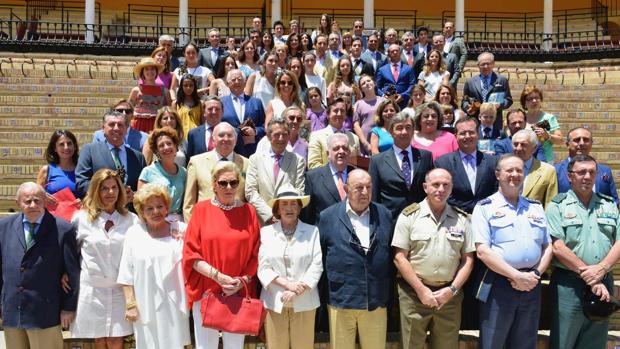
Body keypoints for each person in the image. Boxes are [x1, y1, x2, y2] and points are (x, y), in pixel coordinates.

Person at [471, 154, 553, 349]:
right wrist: (516, 276)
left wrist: (535, 274)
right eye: (510, 170)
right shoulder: (484, 208)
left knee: (525, 342)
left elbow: (548, 246)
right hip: (499, 284)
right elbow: (482, 251)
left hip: (532, 284)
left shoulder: (535, 207)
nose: (515, 174)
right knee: (493, 343)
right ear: (498, 174)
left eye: (519, 170)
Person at [392, 168, 475, 349]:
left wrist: (452, 290)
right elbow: (399, 258)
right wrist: (421, 290)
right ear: (425, 187)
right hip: (414, 295)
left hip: (449, 297)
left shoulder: (462, 219)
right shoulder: (409, 216)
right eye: (435, 184)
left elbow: (468, 259)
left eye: (446, 185)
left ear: (451, 189)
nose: (440, 189)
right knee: (411, 345)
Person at [183, 161, 261, 349]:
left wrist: (240, 281)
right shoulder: (201, 210)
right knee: (205, 346)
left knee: (234, 346)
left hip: (237, 290)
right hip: (207, 288)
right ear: (214, 184)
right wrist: (218, 277)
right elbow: (191, 253)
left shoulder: (248, 211)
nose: (228, 187)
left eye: (233, 183)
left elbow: (256, 253)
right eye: (223, 183)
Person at [546, 154, 620, 349]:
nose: (587, 176)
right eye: (581, 172)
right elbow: (557, 247)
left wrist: (601, 270)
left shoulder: (609, 204)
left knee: (594, 342)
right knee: (564, 342)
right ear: (570, 176)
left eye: (591, 172)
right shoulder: (557, 206)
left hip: (604, 282)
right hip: (569, 285)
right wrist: (592, 277)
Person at [318, 169, 393, 349]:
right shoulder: (327, 217)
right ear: (346, 188)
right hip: (341, 300)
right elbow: (320, 256)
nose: (365, 192)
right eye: (359, 188)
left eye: (368, 187)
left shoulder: (384, 215)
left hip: (375, 300)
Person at [0, 182, 79, 349]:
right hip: (13, 311)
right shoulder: (4, 227)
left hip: (45, 313)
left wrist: (68, 307)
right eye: (27, 201)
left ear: (45, 201)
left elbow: (72, 272)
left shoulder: (63, 229)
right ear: (17, 203)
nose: (33, 205)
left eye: (37, 200)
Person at [70, 169, 139, 348]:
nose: (110, 193)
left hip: (120, 291)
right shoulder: (81, 219)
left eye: (114, 188)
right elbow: (71, 253)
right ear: (95, 191)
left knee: (117, 338)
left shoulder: (131, 220)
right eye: (104, 188)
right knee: (99, 338)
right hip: (93, 290)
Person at [118, 184, 190, 349]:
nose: (156, 212)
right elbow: (126, 274)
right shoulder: (134, 234)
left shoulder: (181, 230)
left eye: (160, 206)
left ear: (167, 208)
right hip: (146, 306)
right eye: (149, 208)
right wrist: (131, 305)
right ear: (141, 212)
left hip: (175, 306)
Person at [258, 186, 322, 349]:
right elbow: (263, 268)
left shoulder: (312, 231)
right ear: (277, 209)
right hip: (275, 302)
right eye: (284, 204)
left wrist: (297, 290)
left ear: (300, 208)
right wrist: (287, 285)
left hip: (305, 301)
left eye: (294, 204)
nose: (289, 208)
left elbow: (317, 265)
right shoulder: (266, 232)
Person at [369, 111, 434, 219]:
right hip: (390, 220)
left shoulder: (425, 157)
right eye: (399, 128)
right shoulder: (377, 161)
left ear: (413, 130)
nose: (404, 132)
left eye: (408, 127)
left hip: (421, 219)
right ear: (391, 132)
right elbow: (374, 196)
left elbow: (431, 188)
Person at [245, 117, 306, 225]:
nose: (281, 139)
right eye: (277, 135)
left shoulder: (297, 160)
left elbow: (299, 191)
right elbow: (251, 191)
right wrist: (269, 214)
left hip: (288, 221)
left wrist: (283, 213)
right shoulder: (255, 159)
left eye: (285, 134)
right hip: (263, 221)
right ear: (268, 136)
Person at [184, 122, 249, 221]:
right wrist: (193, 229)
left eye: (230, 136)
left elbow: (249, 199)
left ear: (235, 141)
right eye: (221, 135)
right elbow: (189, 204)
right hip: (206, 223)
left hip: (237, 224)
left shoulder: (247, 164)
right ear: (213, 140)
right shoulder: (196, 162)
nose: (226, 139)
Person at [76, 111, 147, 200]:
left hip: (129, 211)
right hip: (100, 210)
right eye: (112, 124)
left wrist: (134, 195)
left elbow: (145, 188)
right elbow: (82, 182)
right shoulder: (90, 150)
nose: (116, 128)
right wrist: (108, 193)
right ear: (103, 128)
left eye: (120, 125)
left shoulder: (138, 157)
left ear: (126, 129)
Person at [434, 117, 499, 214]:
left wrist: (482, 210)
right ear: (455, 136)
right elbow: (444, 193)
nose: (467, 136)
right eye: (462, 133)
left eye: (471, 132)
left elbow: (496, 191)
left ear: (478, 134)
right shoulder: (443, 163)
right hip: (455, 217)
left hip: (487, 215)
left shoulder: (492, 162)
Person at [555, 127, 618, 203]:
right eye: (577, 140)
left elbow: (614, 201)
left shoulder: (605, 171)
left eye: (586, 140)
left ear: (591, 144)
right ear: (567, 144)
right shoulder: (555, 171)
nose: (582, 143)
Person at [138, 127, 187, 220]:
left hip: (180, 221)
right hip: (156, 220)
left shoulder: (184, 172)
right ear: (156, 151)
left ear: (176, 147)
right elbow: (141, 202)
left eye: (169, 143)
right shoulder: (147, 172)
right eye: (161, 145)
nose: (166, 147)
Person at [461, 52, 513, 130]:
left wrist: (500, 104)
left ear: (493, 64)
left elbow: (508, 100)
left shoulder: (502, 80)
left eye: (488, 64)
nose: (486, 66)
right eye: (482, 64)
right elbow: (464, 101)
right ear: (478, 66)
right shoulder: (470, 82)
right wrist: (467, 107)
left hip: (495, 121)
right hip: (475, 122)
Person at [221, 69, 266, 157]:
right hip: (229, 151)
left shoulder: (256, 102)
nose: (237, 82)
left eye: (240, 79)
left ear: (245, 82)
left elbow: (264, 126)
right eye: (233, 80)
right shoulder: (221, 103)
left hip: (252, 151)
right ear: (228, 83)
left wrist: (255, 131)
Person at [307, 98, 360, 170]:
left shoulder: (354, 138)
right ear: (328, 114)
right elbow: (313, 165)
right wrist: (335, 174)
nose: (339, 114)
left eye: (342, 111)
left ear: (346, 115)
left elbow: (358, 164)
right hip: (326, 179)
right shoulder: (316, 136)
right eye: (335, 111)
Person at [511, 129, 558, 208]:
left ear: (534, 148)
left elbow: (550, 205)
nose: (518, 148)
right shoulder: (501, 167)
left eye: (523, 145)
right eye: (515, 144)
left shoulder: (548, 171)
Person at [521, 85, 563, 163]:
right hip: (524, 159)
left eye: (537, 98)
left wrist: (547, 136)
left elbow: (560, 140)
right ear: (524, 103)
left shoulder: (549, 118)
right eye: (530, 99)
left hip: (545, 160)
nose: (534, 101)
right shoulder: (521, 118)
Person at [129, 57, 170, 132]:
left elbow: (169, 112)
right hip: (138, 126)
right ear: (142, 72)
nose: (150, 71)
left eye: (152, 69)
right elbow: (128, 111)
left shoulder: (165, 91)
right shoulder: (136, 91)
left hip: (157, 126)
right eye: (146, 69)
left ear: (156, 71)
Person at [37, 130, 79, 202]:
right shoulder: (47, 170)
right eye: (61, 144)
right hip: (50, 213)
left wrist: (84, 201)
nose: (66, 147)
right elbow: (36, 195)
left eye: (69, 143)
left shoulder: (82, 170)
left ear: (74, 146)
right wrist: (43, 196)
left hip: (77, 212)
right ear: (55, 148)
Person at [376, 44, 416, 109]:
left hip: (404, 103)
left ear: (400, 52)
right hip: (387, 103)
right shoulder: (382, 69)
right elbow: (377, 87)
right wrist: (383, 95)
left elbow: (412, 85)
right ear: (388, 54)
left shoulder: (408, 68)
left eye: (396, 51)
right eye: (392, 51)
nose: (395, 53)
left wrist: (403, 95)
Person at [353, 75, 384, 154]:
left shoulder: (383, 101)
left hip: (383, 140)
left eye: (369, 81)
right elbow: (356, 125)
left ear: (374, 83)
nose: (367, 83)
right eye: (363, 83)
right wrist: (365, 143)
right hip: (366, 143)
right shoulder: (358, 104)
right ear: (361, 89)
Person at [172, 74, 203, 138]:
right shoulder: (175, 104)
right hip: (181, 138)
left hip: (197, 136)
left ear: (194, 87)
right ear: (181, 87)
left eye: (191, 85)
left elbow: (203, 123)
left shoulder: (200, 103)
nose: (188, 88)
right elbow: (173, 124)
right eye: (185, 85)